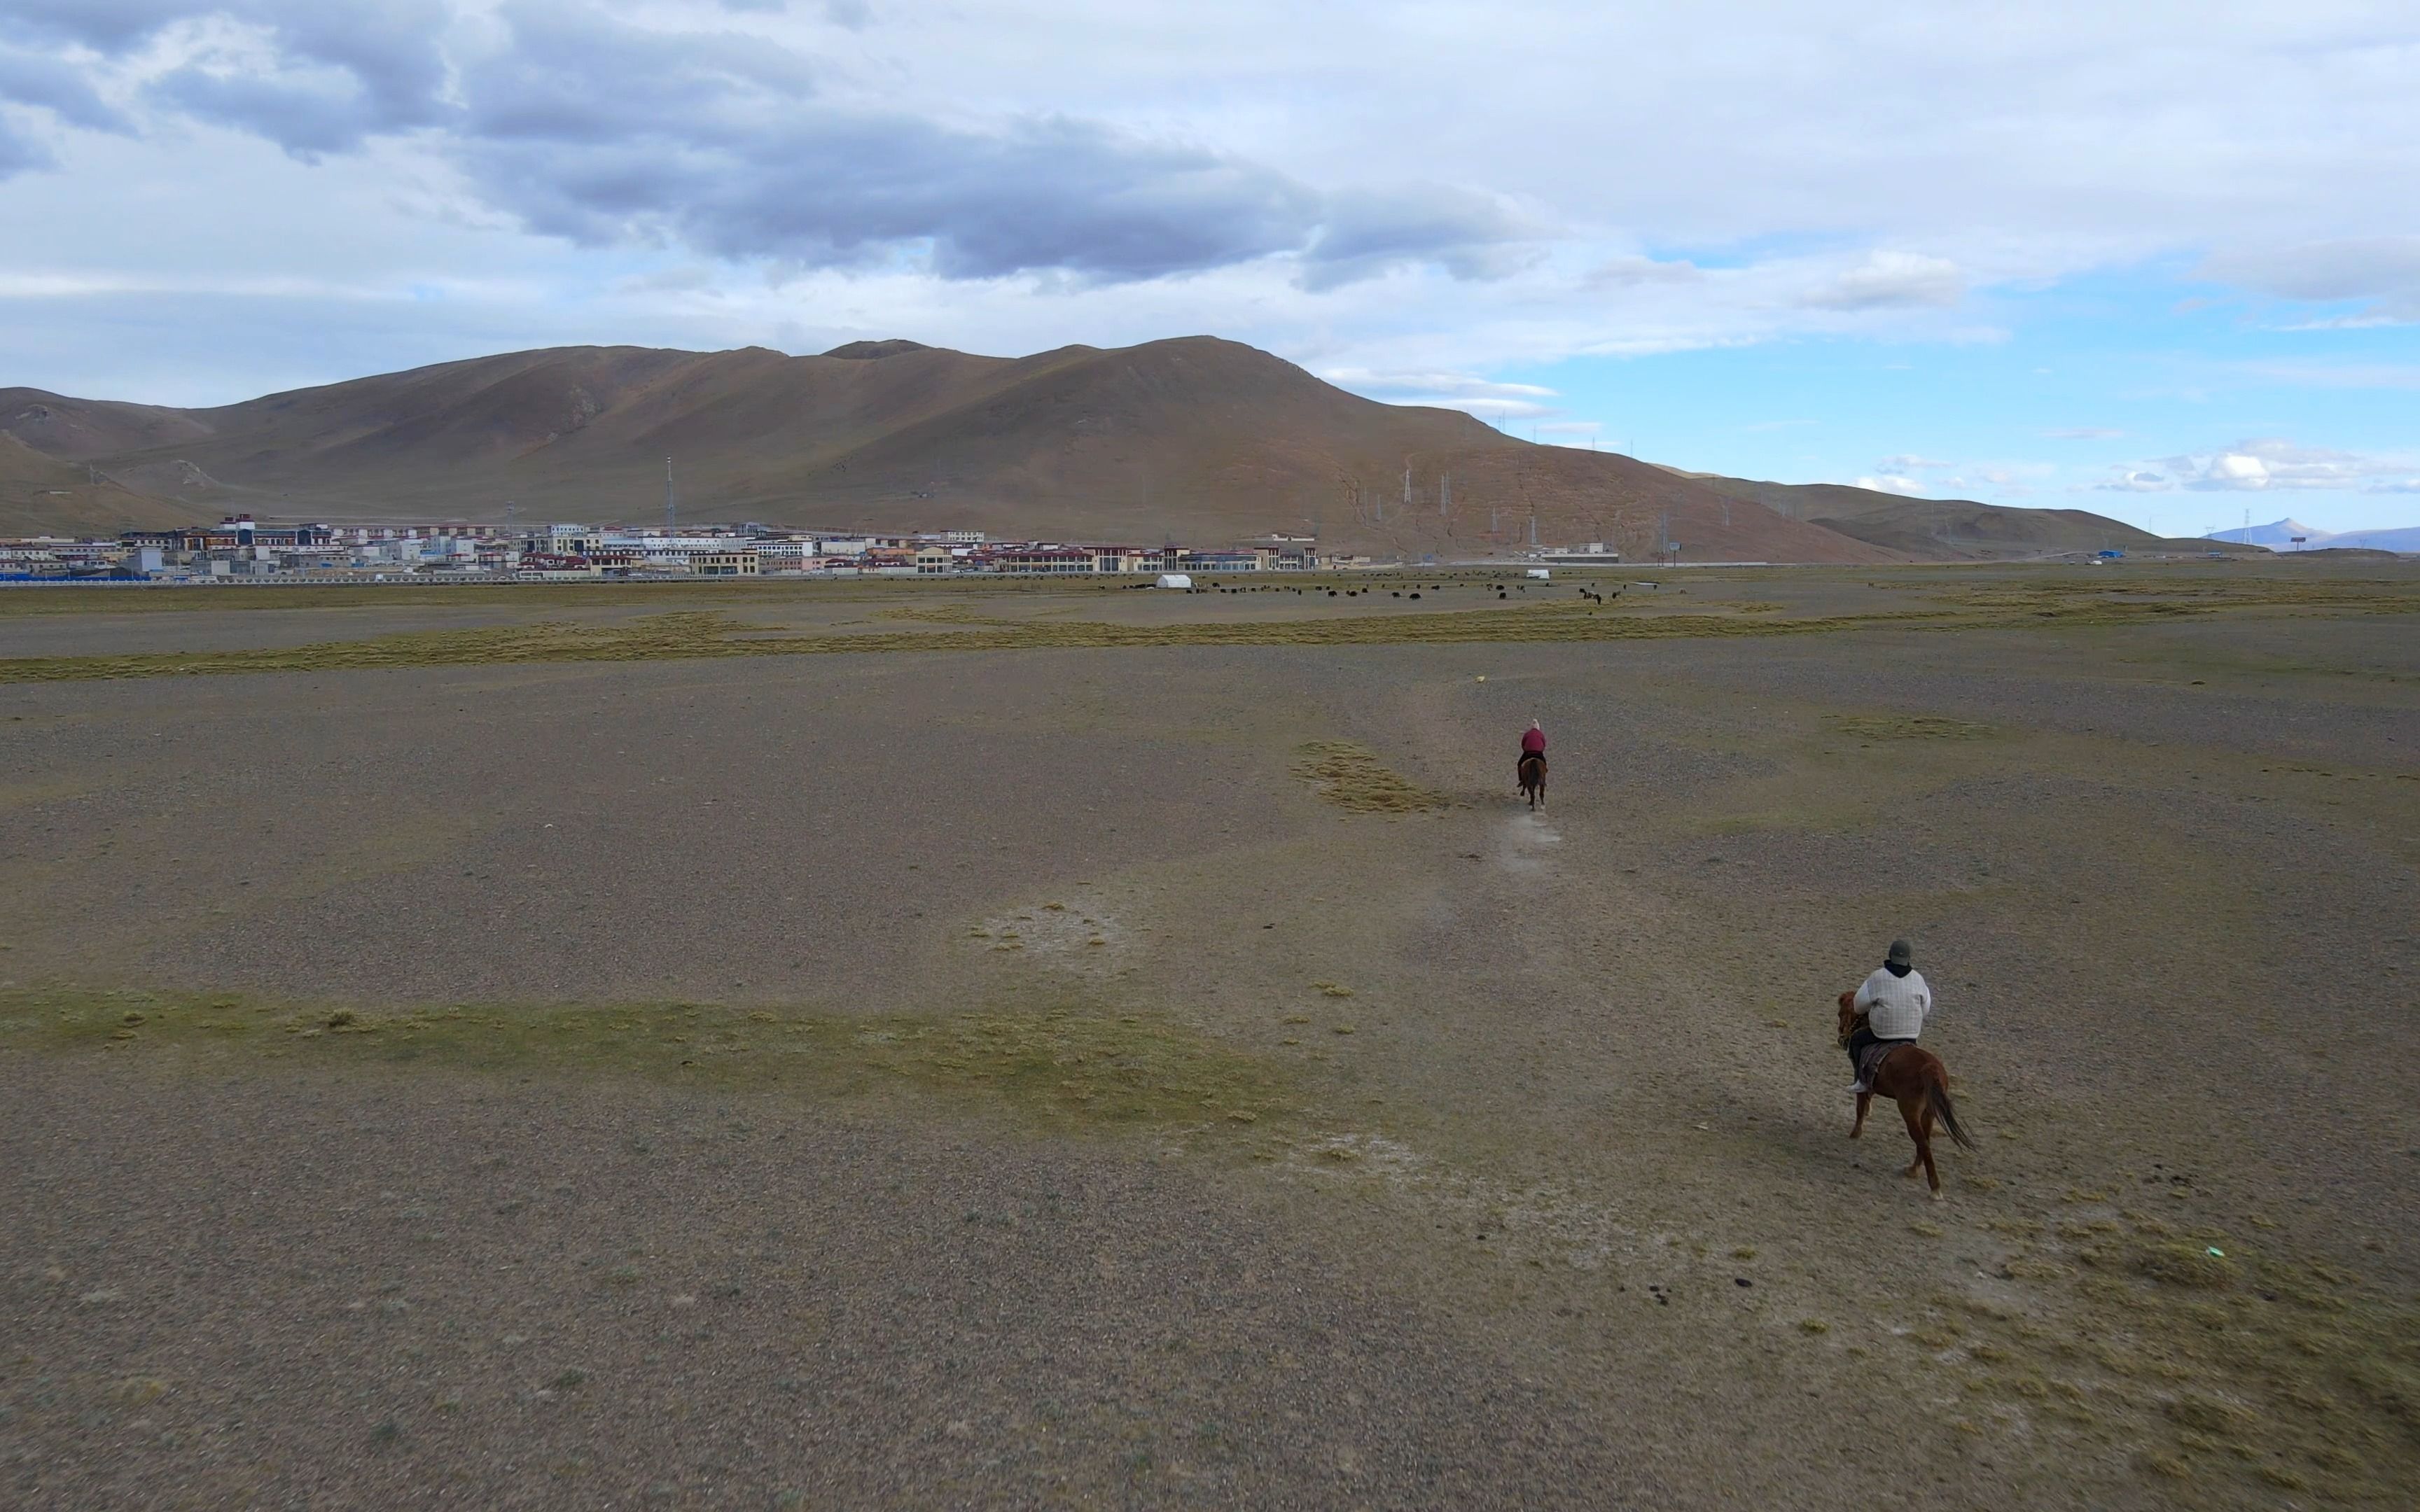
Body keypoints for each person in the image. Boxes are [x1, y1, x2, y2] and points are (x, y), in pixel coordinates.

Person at [1845, 937, 1932, 1094]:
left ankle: (1860, 1081)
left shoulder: (1877, 977)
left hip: (1881, 1033)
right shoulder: (1919, 979)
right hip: (1911, 1035)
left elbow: (1858, 1006)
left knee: (1856, 1041)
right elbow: (1926, 1009)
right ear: (1908, 958)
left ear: (1890, 956)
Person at [1517, 719, 1546, 783]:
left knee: (1519, 764)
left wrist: (1526, 750)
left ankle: (1521, 779)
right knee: (1544, 765)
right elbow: (1544, 744)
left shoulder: (1527, 734)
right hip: (1539, 753)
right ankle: (1543, 778)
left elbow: (1523, 744)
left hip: (1528, 753)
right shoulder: (1541, 734)